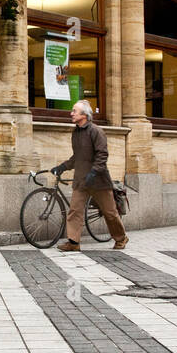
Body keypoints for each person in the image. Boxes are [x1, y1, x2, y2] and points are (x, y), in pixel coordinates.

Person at [52, 99, 128, 251]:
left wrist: (94, 173)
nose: (71, 113)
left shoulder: (96, 131)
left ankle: (121, 238)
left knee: (110, 213)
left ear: (84, 115)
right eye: (72, 111)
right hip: (81, 180)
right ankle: (73, 243)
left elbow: (102, 154)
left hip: (98, 180)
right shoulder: (76, 132)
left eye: (74, 111)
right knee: (74, 211)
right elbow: (77, 157)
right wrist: (62, 167)